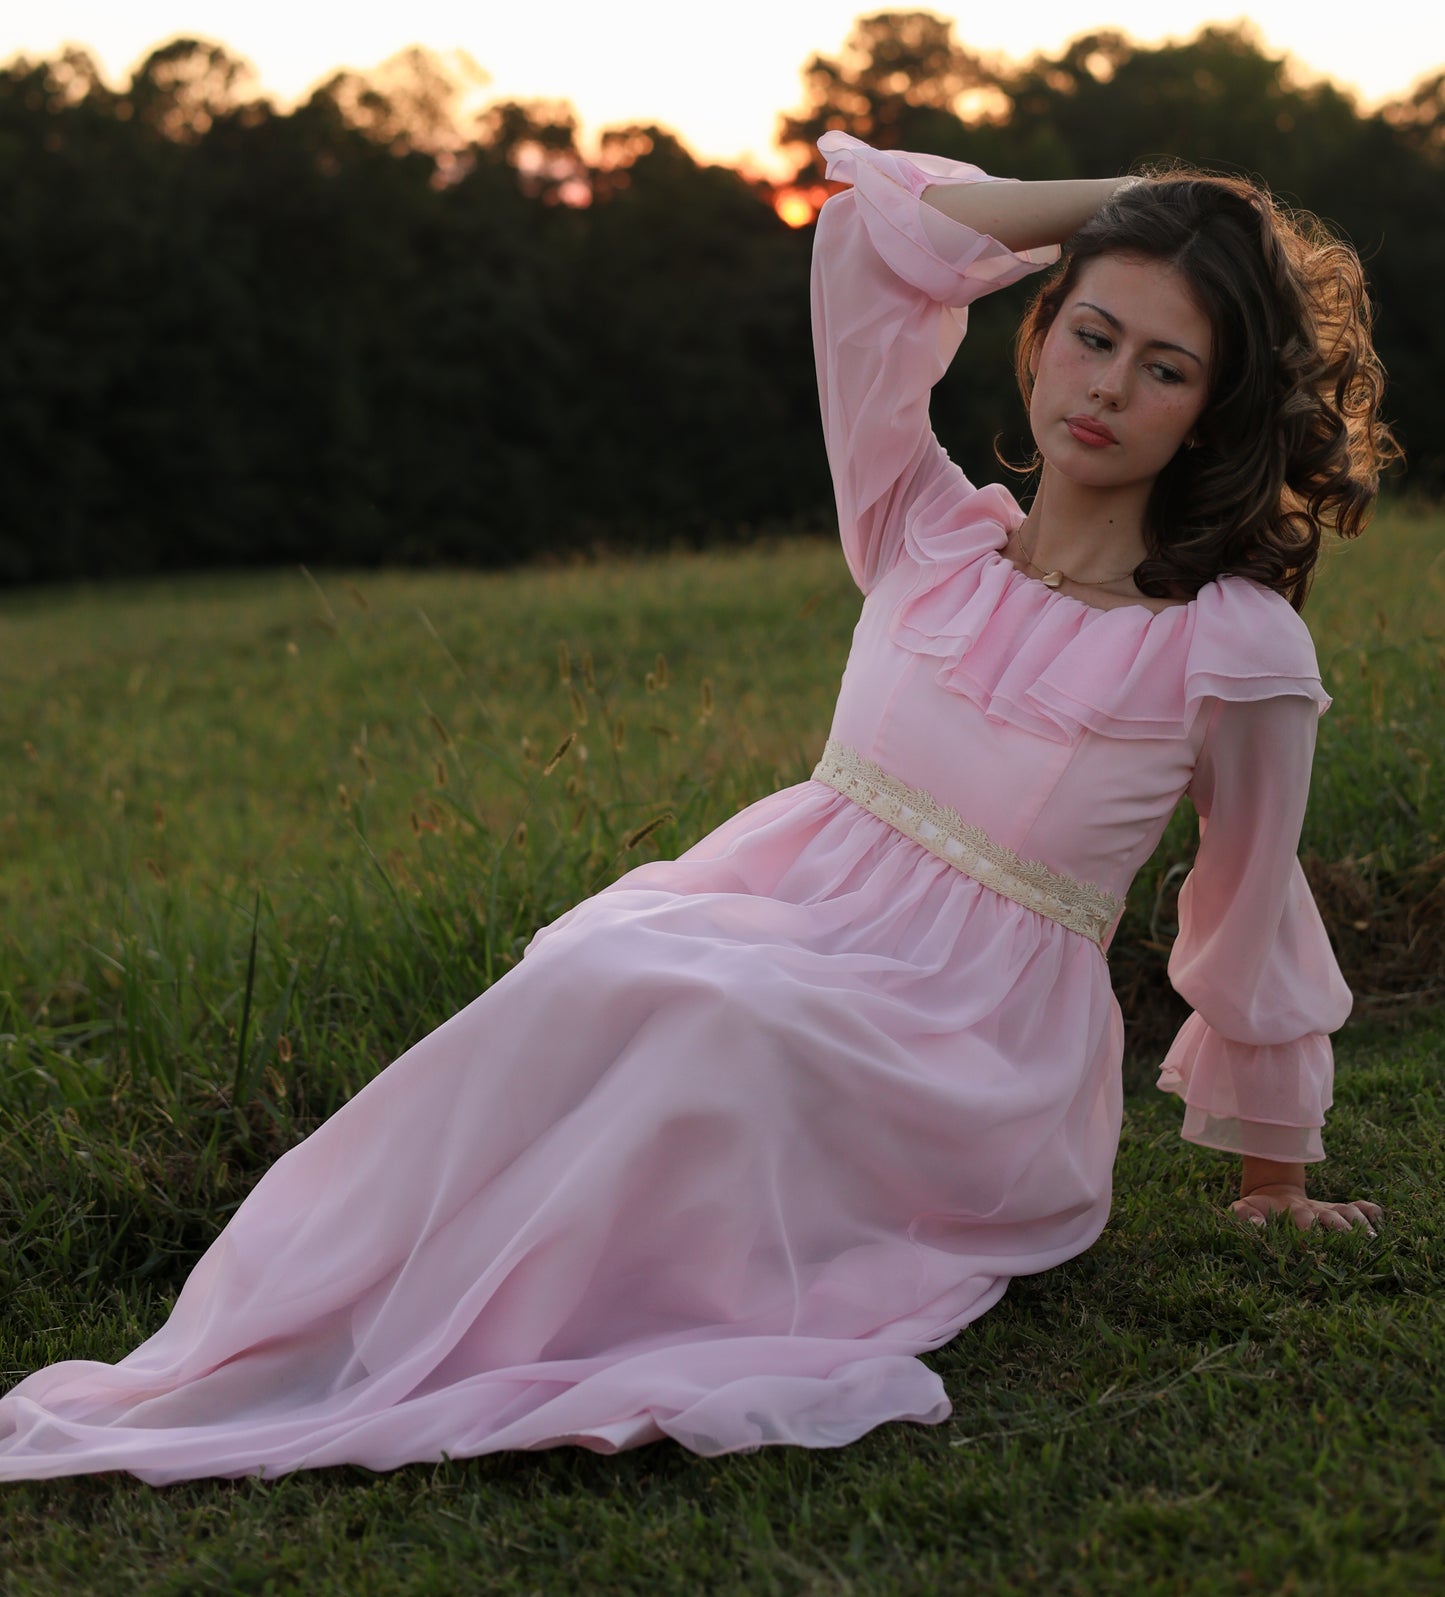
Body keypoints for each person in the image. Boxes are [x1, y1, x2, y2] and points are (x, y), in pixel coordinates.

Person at [0, 131, 1394, 1485]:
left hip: (970, 1041)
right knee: (597, 967)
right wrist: (1138, 197)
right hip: (781, 907)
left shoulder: (1229, 644)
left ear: (1210, 412)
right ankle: (351, 1311)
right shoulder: (925, 531)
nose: (1106, 387)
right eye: (1092, 334)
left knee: (722, 1013)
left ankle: (527, 1321)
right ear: (1042, 335)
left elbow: (1251, 895)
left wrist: (1272, 1178)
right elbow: (869, 248)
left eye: (1165, 368)